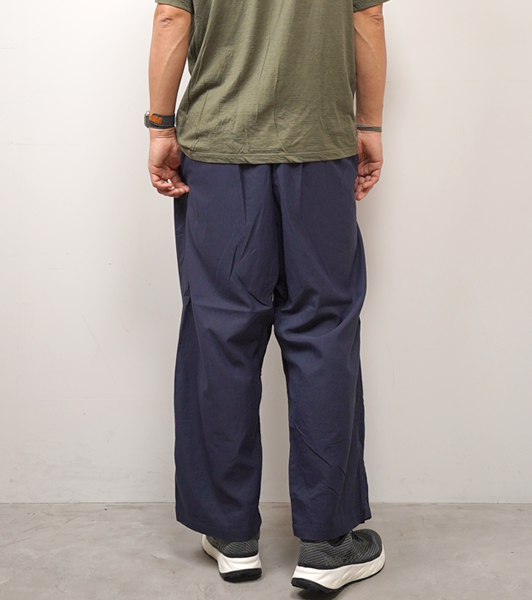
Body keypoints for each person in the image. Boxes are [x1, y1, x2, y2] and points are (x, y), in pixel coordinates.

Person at [146, 0, 389, 593]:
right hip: (320, 148)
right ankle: (327, 543)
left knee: (220, 334)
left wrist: (160, 126)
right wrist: (369, 126)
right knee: (322, 333)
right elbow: (368, 20)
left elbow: (172, 19)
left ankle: (231, 533)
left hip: (219, 149)